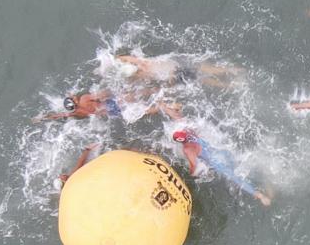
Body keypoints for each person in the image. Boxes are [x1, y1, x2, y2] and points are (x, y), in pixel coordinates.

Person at [170, 129, 272, 206]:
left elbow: (194, 165)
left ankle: (259, 195)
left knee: (234, 177)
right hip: (219, 151)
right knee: (239, 165)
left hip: (216, 161)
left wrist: (191, 172)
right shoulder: (189, 132)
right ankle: (263, 174)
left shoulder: (187, 149)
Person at [34, 90, 179, 122]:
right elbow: (100, 95)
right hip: (112, 104)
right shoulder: (84, 98)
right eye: (73, 98)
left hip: (112, 113)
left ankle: (161, 108)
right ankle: (162, 97)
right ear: (76, 101)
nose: (73, 97)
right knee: (135, 95)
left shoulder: (75, 113)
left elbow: (60, 115)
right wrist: (115, 91)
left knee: (143, 111)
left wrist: (43, 118)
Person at [113, 53, 242, 88]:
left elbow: (136, 82)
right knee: (204, 70)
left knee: (202, 79)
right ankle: (233, 71)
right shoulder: (142, 62)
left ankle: (228, 85)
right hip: (175, 68)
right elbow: (126, 59)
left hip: (174, 76)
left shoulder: (139, 76)